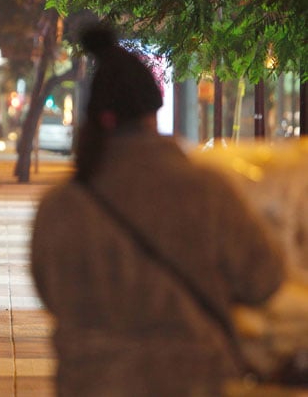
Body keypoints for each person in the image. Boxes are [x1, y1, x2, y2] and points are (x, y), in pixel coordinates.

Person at [30, 24, 285, 396]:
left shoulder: (62, 206)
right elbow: (264, 280)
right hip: (193, 381)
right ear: (152, 112)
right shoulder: (208, 191)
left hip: (91, 382)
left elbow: (51, 293)